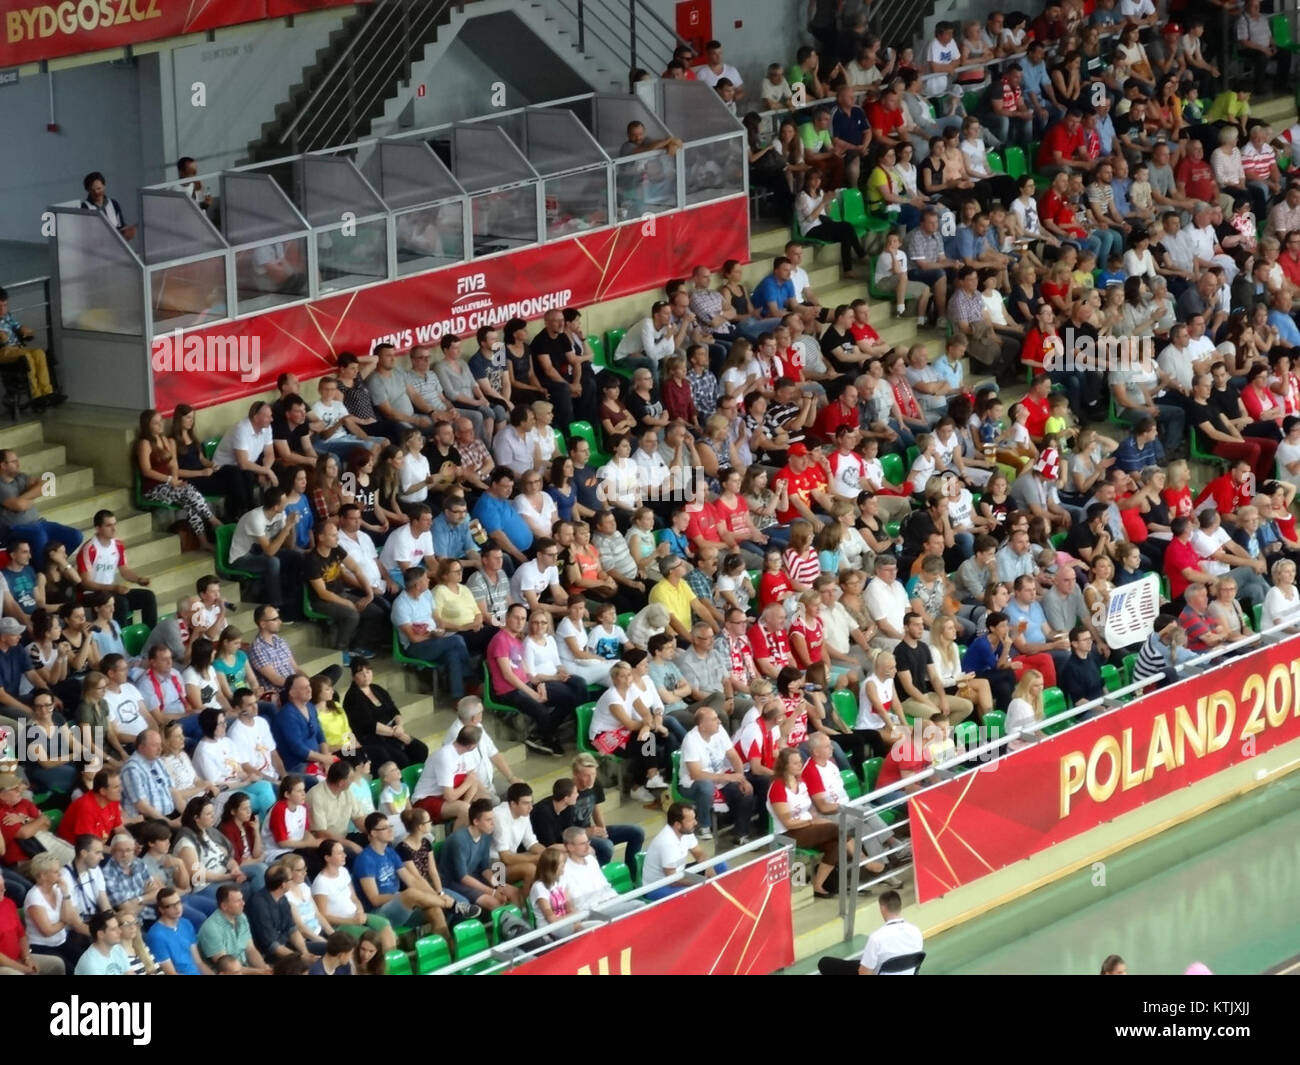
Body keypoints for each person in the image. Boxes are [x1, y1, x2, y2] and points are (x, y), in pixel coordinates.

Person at [678, 706, 756, 842]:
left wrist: (741, 779)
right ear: (702, 725)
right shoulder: (691, 740)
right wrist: (727, 777)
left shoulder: (719, 732)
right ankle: (704, 826)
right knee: (706, 786)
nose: (719, 721)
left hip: (718, 778)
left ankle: (740, 834)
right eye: (714, 719)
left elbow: (733, 756)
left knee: (745, 792)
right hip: (691, 784)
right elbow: (696, 774)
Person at [815, 890, 924, 974]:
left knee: (825, 963)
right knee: (857, 964)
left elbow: (864, 973)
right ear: (900, 907)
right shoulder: (916, 932)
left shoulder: (877, 938)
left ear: (882, 908)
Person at [196, 884, 272, 972]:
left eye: (242, 899)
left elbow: (250, 949)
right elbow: (228, 969)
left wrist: (264, 968)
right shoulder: (211, 929)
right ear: (224, 906)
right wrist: (259, 972)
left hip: (246, 968)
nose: (243, 903)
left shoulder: (241, 917)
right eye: (238, 901)